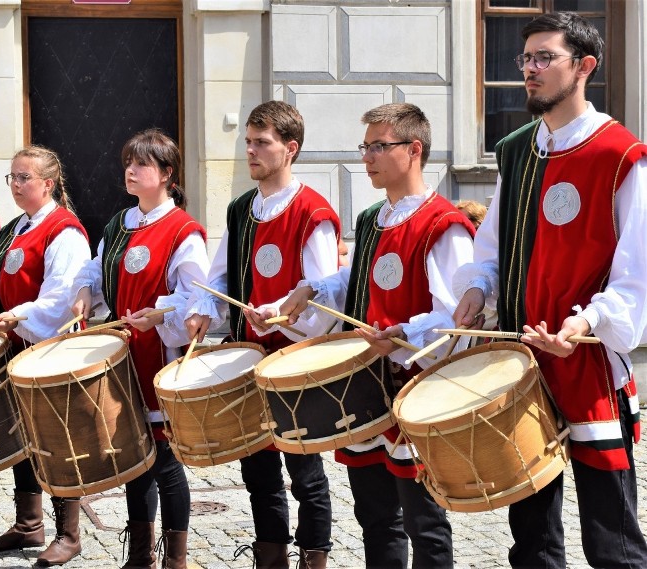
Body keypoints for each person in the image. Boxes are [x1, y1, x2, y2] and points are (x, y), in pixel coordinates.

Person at [452, 12, 647, 567]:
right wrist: (477, 289)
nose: (529, 72)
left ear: (584, 67)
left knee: (613, 539)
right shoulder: (516, 149)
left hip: (583, 359)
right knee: (532, 538)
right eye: (525, 59)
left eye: (544, 59)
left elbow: (636, 272)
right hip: (520, 356)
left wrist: (587, 323)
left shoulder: (620, 155)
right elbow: (489, 247)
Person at [279, 103, 473, 568]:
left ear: (414, 150)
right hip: (367, 390)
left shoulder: (444, 225)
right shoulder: (370, 220)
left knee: (425, 523)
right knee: (375, 517)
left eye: (379, 146)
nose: (367, 157)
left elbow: (457, 319)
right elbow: (359, 278)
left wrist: (405, 332)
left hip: (417, 393)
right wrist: (314, 289)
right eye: (365, 146)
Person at [185, 101, 337, 569]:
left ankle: (315, 558)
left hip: (297, 358)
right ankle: (270, 557)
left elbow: (326, 298)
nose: (250, 150)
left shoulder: (314, 212)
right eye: (247, 141)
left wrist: (286, 318)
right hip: (251, 356)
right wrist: (202, 311)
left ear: (290, 149)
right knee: (258, 467)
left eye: (261, 142)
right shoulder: (240, 210)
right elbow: (220, 278)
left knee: (305, 469)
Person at [72, 129, 210, 569]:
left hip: (160, 354)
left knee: (165, 460)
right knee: (132, 456)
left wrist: (161, 313)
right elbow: (96, 270)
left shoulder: (183, 231)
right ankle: (139, 555)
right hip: (122, 353)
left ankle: (176, 559)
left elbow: (197, 296)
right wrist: (83, 291)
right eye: (129, 162)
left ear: (166, 174)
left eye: (142, 164)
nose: (130, 170)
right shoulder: (119, 223)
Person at [0, 145, 91, 566]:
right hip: (17, 345)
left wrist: (19, 315)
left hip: (49, 348)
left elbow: (62, 297)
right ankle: (29, 524)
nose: (14, 184)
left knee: (57, 440)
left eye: (23, 177)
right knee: (22, 437)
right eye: (11, 177)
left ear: (47, 184)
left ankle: (69, 533)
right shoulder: (13, 229)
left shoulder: (64, 231)